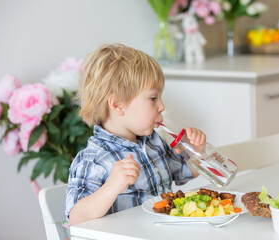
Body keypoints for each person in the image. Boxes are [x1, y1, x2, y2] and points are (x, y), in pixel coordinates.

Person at [65, 43, 206, 225]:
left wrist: (196, 151)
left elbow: (185, 172)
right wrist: (112, 186)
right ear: (117, 105)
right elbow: (77, 217)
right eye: (153, 98)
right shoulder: (94, 159)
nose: (162, 106)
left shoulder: (154, 143)